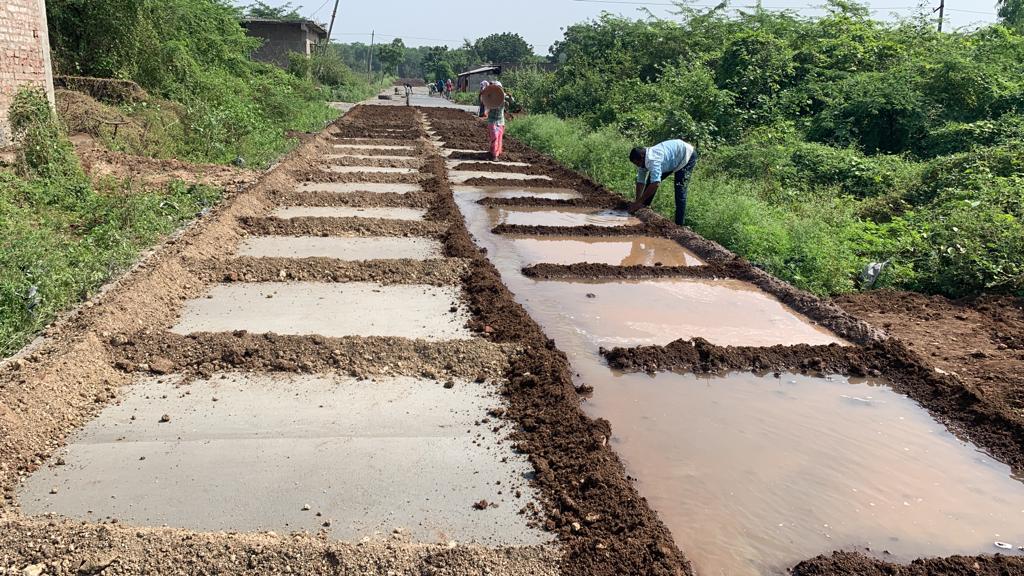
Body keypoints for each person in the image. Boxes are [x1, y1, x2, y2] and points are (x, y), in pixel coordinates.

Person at [628, 139, 698, 226]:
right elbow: (640, 181)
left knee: (680, 189)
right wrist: (638, 201)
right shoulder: (643, 159)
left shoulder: (653, 160)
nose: (638, 165)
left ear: (642, 157)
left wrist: (638, 203)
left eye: (637, 163)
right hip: (670, 159)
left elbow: (655, 184)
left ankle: (679, 224)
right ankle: (644, 206)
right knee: (651, 179)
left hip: (686, 155)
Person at [482, 82, 506, 160]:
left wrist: (508, 97)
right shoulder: (489, 96)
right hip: (492, 120)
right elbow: (483, 101)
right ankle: (494, 155)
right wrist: (483, 93)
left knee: (498, 138)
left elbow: (512, 102)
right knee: (494, 136)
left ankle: (495, 152)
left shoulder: (504, 97)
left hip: (500, 121)